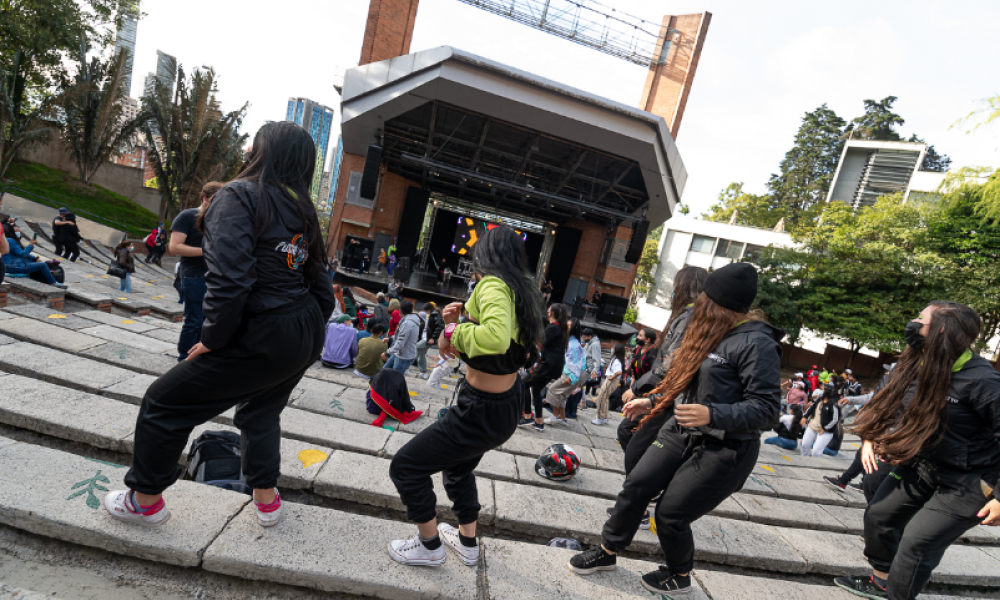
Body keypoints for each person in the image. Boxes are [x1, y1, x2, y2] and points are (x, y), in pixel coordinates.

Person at [103, 121, 336, 529]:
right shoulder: (303, 209)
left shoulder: (238, 195)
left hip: (265, 326)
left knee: (164, 403)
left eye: (253, 144)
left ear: (262, 151)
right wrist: (308, 332)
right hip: (305, 327)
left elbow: (231, 280)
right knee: (261, 413)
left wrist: (212, 338)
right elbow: (321, 283)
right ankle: (267, 501)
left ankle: (144, 501)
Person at [569, 263, 781, 596]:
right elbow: (687, 383)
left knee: (670, 514)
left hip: (725, 448)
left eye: (707, 301)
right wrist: (651, 403)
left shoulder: (757, 342)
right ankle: (607, 551)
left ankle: (679, 574)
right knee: (637, 484)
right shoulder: (710, 329)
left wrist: (712, 414)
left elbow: (767, 409)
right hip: (680, 429)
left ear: (722, 305)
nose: (699, 306)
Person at [387, 225, 543, 567]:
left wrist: (456, 328)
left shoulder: (493, 285)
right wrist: (455, 326)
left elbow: (495, 339)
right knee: (458, 471)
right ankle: (467, 543)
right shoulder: (523, 291)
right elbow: (500, 344)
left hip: (481, 411)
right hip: (503, 407)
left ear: (486, 253)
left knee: (406, 467)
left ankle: (429, 547)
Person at [834, 301, 1000, 600]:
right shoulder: (914, 364)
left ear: (941, 330)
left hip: (969, 481)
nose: (912, 322)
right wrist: (872, 437)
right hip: (922, 466)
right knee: (879, 516)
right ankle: (882, 580)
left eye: (920, 318)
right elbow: (886, 405)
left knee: (916, 543)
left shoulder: (983, 382)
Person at [171, 181, 225, 361]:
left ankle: (197, 359)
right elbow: (175, 247)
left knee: (207, 323)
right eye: (216, 200)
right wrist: (206, 251)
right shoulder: (187, 216)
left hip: (216, 277)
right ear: (204, 199)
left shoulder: (221, 220)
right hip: (193, 275)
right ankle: (183, 359)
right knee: (194, 321)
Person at [521, 303, 568, 432]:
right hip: (553, 366)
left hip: (547, 365)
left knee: (524, 383)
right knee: (536, 390)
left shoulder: (553, 327)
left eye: (548, 310)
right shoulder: (561, 329)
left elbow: (538, 345)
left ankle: (527, 416)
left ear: (551, 313)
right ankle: (539, 422)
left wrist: (525, 357)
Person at [545, 318, 585, 426]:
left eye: (568, 326)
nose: (565, 327)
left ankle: (554, 416)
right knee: (562, 395)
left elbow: (577, 364)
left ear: (572, 329)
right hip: (571, 373)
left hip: (571, 373)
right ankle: (562, 419)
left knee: (553, 390)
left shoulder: (573, 344)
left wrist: (572, 377)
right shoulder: (571, 341)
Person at [2, 228, 67, 289]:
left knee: (35, 263)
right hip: (13, 267)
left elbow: (21, 252)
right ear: (12, 232)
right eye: (17, 230)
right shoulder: (11, 241)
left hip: (10, 266)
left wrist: (35, 258)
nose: (20, 232)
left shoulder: (8, 241)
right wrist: (31, 244)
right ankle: (53, 282)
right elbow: (22, 254)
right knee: (43, 265)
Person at [800, 385, 840, 458]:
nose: (821, 391)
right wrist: (805, 417)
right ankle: (805, 461)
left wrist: (825, 428)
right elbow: (812, 407)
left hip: (825, 431)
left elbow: (835, 419)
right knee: (804, 445)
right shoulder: (819, 400)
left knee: (816, 451)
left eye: (823, 389)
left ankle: (814, 466)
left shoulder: (833, 404)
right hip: (812, 426)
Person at [383, 300, 420, 375]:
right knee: (384, 371)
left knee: (394, 378)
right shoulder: (408, 320)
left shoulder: (408, 323)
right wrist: (390, 339)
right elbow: (401, 336)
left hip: (403, 356)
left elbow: (400, 343)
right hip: (398, 353)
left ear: (400, 310)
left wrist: (387, 353)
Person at [592, 343, 625, 425]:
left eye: (613, 348)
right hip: (611, 380)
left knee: (601, 398)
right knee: (605, 399)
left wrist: (612, 377)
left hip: (611, 380)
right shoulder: (616, 359)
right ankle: (604, 417)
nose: (611, 349)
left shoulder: (617, 361)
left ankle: (599, 417)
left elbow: (619, 372)